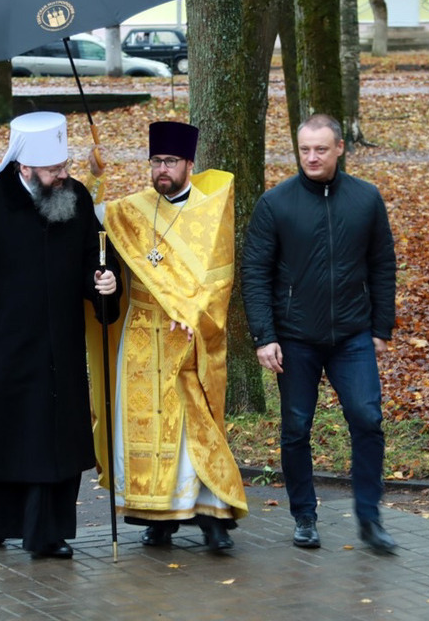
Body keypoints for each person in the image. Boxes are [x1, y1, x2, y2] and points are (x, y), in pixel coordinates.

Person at [0, 111, 121, 560]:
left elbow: (97, 259)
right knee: (5, 440)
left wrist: (107, 282)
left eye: (65, 167)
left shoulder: (74, 198)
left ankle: (46, 534)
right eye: (54, 171)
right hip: (5, 350)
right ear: (25, 168)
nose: (63, 177)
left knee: (53, 444)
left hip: (61, 348)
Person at [83, 121, 248, 552]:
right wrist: (93, 177)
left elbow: (219, 279)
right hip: (139, 335)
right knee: (143, 431)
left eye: (170, 162)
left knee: (195, 430)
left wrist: (191, 313)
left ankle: (212, 518)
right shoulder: (132, 209)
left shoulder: (210, 211)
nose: (161, 170)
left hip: (189, 335)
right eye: (155, 161)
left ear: (189, 164)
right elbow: (87, 217)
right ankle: (155, 518)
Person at [240, 113, 398, 553]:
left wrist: (381, 326)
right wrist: (264, 335)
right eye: (305, 149)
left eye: (321, 149)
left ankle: (370, 517)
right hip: (294, 336)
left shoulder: (366, 199)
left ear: (340, 149)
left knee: (367, 419)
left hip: (352, 334)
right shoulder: (276, 203)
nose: (312, 157)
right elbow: (255, 272)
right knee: (296, 427)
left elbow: (383, 264)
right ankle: (304, 516)